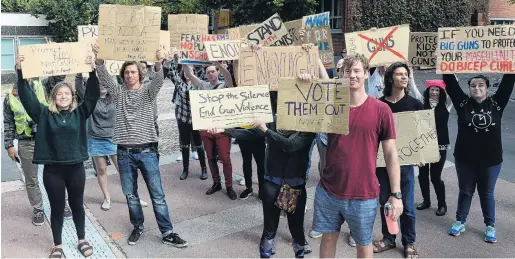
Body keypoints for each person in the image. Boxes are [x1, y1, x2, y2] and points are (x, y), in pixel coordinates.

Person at [93, 43, 188, 248]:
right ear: (123, 74)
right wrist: (99, 57)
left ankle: (168, 232)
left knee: (157, 195)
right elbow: (103, 76)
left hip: (147, 152)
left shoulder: (148, 92)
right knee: (131, 194)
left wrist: (159, 59)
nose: (130, 75)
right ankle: (137, 227)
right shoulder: (117, 93)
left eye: (133, 72)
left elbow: (159, 77)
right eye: (126, 72)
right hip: (124, 154)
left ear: (139, 74)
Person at [313, 53, 403, 258]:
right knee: (328, 238)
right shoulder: (331, 106)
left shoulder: (381, 110)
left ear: (365, 74)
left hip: (364, 194)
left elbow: (390, 154)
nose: (351, 75)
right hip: (329, 190)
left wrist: (396, 194)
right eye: (346, 71)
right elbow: (313, 91)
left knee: (364, 244)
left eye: (356, 71)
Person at [17, 54, 98, 258]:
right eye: (59, 94)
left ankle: (82, 239)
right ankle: (58, 244)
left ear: (72, 97)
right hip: (53, 170)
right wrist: (20, 72)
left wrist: (93, 71)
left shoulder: (79, 114)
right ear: (54, 97)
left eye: (67, 94)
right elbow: (28, 99)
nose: (63, 96)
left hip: (75, 168)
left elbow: (92, 96)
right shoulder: (44, 115)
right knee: (57, 207)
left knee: (77, 204)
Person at [213, 114, 315, 258]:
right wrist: (224, 130)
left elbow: (290, 145)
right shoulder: (273, 120)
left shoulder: (308, 125)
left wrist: (266, 131)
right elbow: (251, 134)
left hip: (293, 186)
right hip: (272, 182)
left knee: (297, 230)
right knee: (269, 230)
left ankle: (299, 254)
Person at [443, 72, 515, 243]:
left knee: (486, 193)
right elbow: (450, 82)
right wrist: (444, 57)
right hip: (464, 159)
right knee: (465, 191)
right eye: (473, 85)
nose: (477, 88)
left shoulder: (497, 103)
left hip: (491, 161)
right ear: (469, 89)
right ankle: (460, 221)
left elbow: (509, 80)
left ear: (487, 88)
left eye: (481, 85)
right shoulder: (462, 104)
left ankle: (490, 225)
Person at [373, 62, 423, 258]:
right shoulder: (379, 105)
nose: (404, 77)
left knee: (408, 206)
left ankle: (409, 242)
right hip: (382, 163)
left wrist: (420, 154)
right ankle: (388, 238)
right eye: (400, 74)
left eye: (406, 74)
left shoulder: (415, 104)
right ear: (390, 78)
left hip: (406, 163)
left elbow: (421, 133)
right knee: (385, 202)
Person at [184, 62, 237, 200]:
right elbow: (189, 74)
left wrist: (219, 63)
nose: (211, 73)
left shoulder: (225, 85)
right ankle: (216, 183)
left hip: (221, 128)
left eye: (213, 71)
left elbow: (229, 77)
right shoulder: (203, 85)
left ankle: (229, 186)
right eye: (208, 72)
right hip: (206, 128)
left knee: (225, 158)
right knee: (211, 157)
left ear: (218, 72)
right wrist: (183, 60)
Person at [4, 67, 48, 226]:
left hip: (46, 138)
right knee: (31, 179)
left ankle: (62, 203)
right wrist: (9, 144)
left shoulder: (42, 85)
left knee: (56, 173)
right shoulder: (10, 97)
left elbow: (59, 80)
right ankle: (38, 208)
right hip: (25, 141)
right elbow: (8, 123)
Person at [75, 73, 118, 211]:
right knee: (101, 169)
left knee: (123, 169)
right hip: (96, 138)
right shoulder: (90, 99)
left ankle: (132, 195)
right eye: (99, 83)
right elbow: (79, 87)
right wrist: (79, 73)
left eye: (105, 83)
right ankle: (106, 197)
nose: (103, 86)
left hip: (114, 138)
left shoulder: (116, 97)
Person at [168, 52, 208, 180]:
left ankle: (204, 169)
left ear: (194, 72)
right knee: (185, 145)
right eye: (186, 70)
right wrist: (174, 57)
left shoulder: (199, 84)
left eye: (190, 70)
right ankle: (185, 170)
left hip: (196, 120)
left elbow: (205, 67)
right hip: (183, 119)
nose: (187, 72)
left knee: (199, 145)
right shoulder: (180, 83)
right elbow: (171, 72)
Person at [416, 79, 452, 216]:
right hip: (423, 143)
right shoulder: (421, 102)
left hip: (440, 145)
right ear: (428, 90)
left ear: (441, 92)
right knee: (422, 175)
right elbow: (413, 89)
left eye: (437, 90)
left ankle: (442, 204)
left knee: (435, 176)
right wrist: (412, 75)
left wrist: (450, 71)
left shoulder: (447, 104)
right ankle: (426, 201)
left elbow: (452, 91)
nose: (435, 92)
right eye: (432, 89)